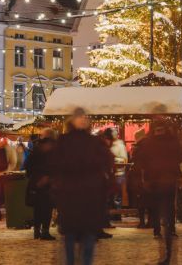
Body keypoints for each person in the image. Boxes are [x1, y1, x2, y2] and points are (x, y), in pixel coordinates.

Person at [52, 108, 112, 265]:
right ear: (72, 120)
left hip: (89, 196)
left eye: (85, 117)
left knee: (88, 235)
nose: (83, 119)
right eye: (79, 117)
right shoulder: (64, 141)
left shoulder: (94, 141)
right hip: (71, 195)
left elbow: (106, 162)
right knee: (71, 235)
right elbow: (56, 165)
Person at [135, 117, 182, 265]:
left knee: (157, 207)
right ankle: (169, 229)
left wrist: (144, 179)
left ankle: (159, 229)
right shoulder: (172, 142)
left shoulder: (148, 142)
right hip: (168, 180)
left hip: (156, 181)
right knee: (169, 207)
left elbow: (143, 163)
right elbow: (180, 159)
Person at [25, 127, 57, 240]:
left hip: (37, 182)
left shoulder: (36, 148)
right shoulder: (53, 149)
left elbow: (27, 166)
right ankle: (44, 231)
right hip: (47, 182)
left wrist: (33, 178)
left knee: (38, 207)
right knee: (47, 207)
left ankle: (37, 231)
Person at [128, 129, 152, 228]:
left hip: (140, 177)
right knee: (150, 199)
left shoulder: (138, 147)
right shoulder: (150, 145)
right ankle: (151, 221)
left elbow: (136, 162)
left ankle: (142, 222)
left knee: (141, 200)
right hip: (150, 176)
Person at [106, 128, 128, 216]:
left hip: (119, 173)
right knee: (112, 195)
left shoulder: (120, 146)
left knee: (117, 195)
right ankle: (112, 214)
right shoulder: (109, 145)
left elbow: (124, 160)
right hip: (111, 173)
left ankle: (117, 214)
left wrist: (113, 159)